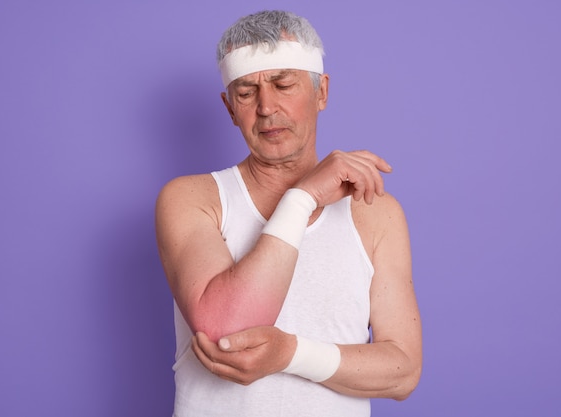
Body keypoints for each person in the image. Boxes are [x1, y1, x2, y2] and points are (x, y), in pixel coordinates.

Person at [155, 10, 422, 417]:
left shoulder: (375, 212)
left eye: (283, 85)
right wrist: (302, 198)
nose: (266, 107)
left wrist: (291, 354)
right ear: (229, 108)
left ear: (321, 92)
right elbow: (228, 329)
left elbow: (402, 371)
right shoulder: (193, 199)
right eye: (246, 93)